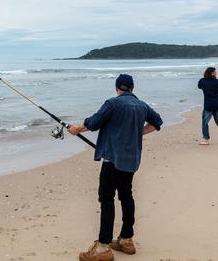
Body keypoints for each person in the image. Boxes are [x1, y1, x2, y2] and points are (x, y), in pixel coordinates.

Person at [68, 74, 163, 261]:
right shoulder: (142, 105)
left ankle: (103, 247)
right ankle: (126, 239)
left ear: (117, 88)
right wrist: (138, 133)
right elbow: (157, 122)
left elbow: (94, 123)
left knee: (106, 198)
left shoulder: (113, 103)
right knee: (126, 196)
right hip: (131, 161)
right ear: (132, 88)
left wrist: (77, 128)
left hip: (112, 160)